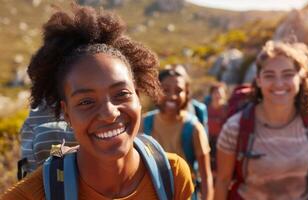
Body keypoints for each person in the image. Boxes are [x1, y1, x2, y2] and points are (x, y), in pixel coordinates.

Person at [1, 4, 194, 200]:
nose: (110, 113)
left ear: (137, 94)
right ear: (66, 113)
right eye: (86, 102)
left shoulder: (173, 176)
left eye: (121, 93)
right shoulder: (31, 195)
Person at [214, 40, 308, 200]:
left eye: (288, 74)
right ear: (258, 81)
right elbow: (222, 181)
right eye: (269, 76)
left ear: (300, 78)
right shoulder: (235, 127)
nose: (279, 83)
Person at [142, 66, 214, 200]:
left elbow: (206, 177)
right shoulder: (143, 123)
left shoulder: (194, 129)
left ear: (187, 93)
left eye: (179, 91)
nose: (172, 96)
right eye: (165, 90)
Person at [206, 82, 227, 174]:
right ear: (211, 94)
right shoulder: (205, 109)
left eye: (220, 93)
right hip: (208, 141)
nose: (218, 95)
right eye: (215, 93)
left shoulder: (228, 109)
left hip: (223, 141)